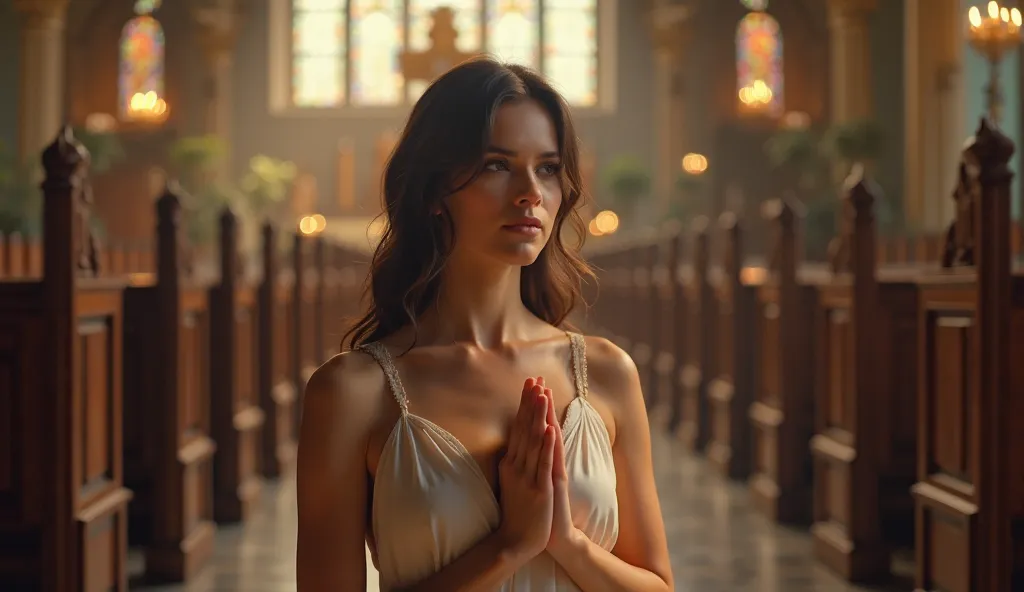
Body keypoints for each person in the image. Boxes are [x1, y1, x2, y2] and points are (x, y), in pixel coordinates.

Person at [296, 57, 673, 592]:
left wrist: (565, 540)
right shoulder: (352, 392)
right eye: (497, 165)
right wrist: (510, 546)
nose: (530, 192)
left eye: (547, 168)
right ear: (432, 191)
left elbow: (659, 585)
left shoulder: (608, 372)